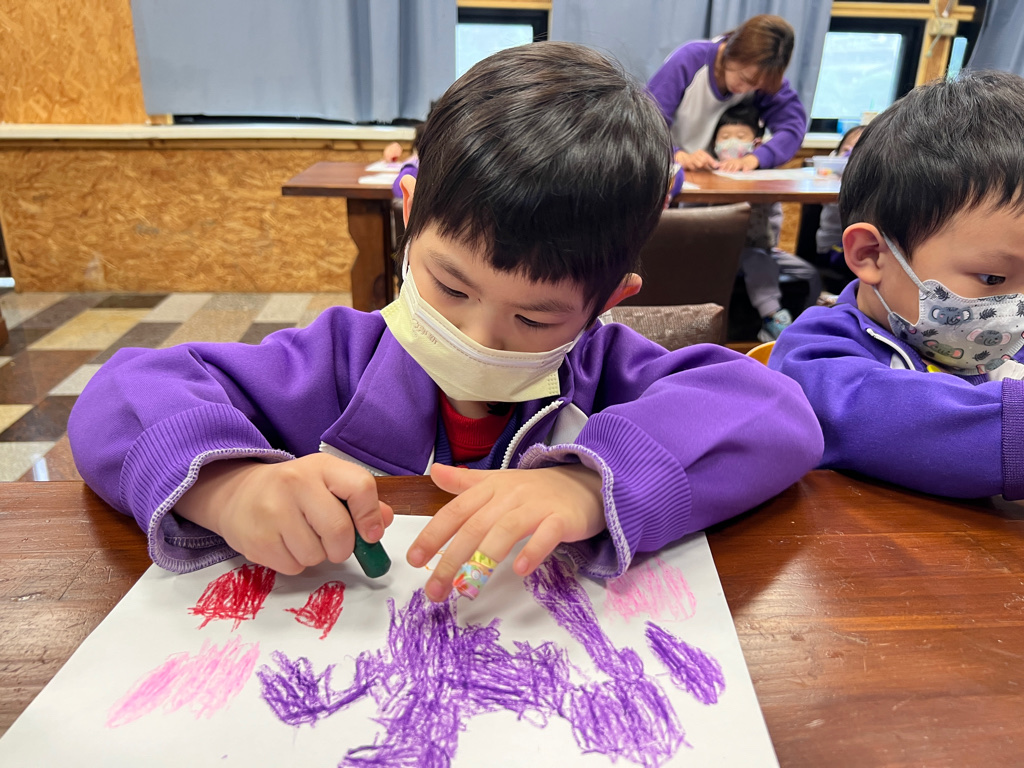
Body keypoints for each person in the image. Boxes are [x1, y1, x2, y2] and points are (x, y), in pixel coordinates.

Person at [68, 42, 823, 602]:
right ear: (408, 218)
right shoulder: (336, 360)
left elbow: (776, 412)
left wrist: (589, 487)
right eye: (451, 287)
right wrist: (225, 486)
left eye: (534, 317)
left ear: (608, 301)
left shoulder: (608, 372)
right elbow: (123, 393)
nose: (477, 338)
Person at [769, 70, 1024, 500]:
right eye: (993, 278)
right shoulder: (814, 360)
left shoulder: (1006, 342)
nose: (1016, 309)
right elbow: (894, 423)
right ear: (871, 254)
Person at [647, 14, 809, 341]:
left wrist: (756, 158)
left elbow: (792, 127)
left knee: (750, 250)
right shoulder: (690, 60)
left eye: (755, 87)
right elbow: (647, 119)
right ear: (730, 50)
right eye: (744, 77)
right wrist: (676, 153)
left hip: (719, 186)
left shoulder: (760, 77)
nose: (745, 89)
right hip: (675, 179)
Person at [710, 104, 821, 339]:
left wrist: (772, 244)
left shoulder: (764, 178)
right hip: (723, 252)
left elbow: (775, 215)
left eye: (741, 137)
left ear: (756, 144)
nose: (732, 143)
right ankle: (772, 316)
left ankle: (809, 322)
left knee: (809, 273)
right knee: (759, 261)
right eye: (725, 137)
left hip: (763, 247)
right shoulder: (708, 177)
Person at [813, 124, 865, 296]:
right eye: (847, 151)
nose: (850, 156)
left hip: (862, 247)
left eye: (859, 152)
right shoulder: (831, 180)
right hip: (833, 248)